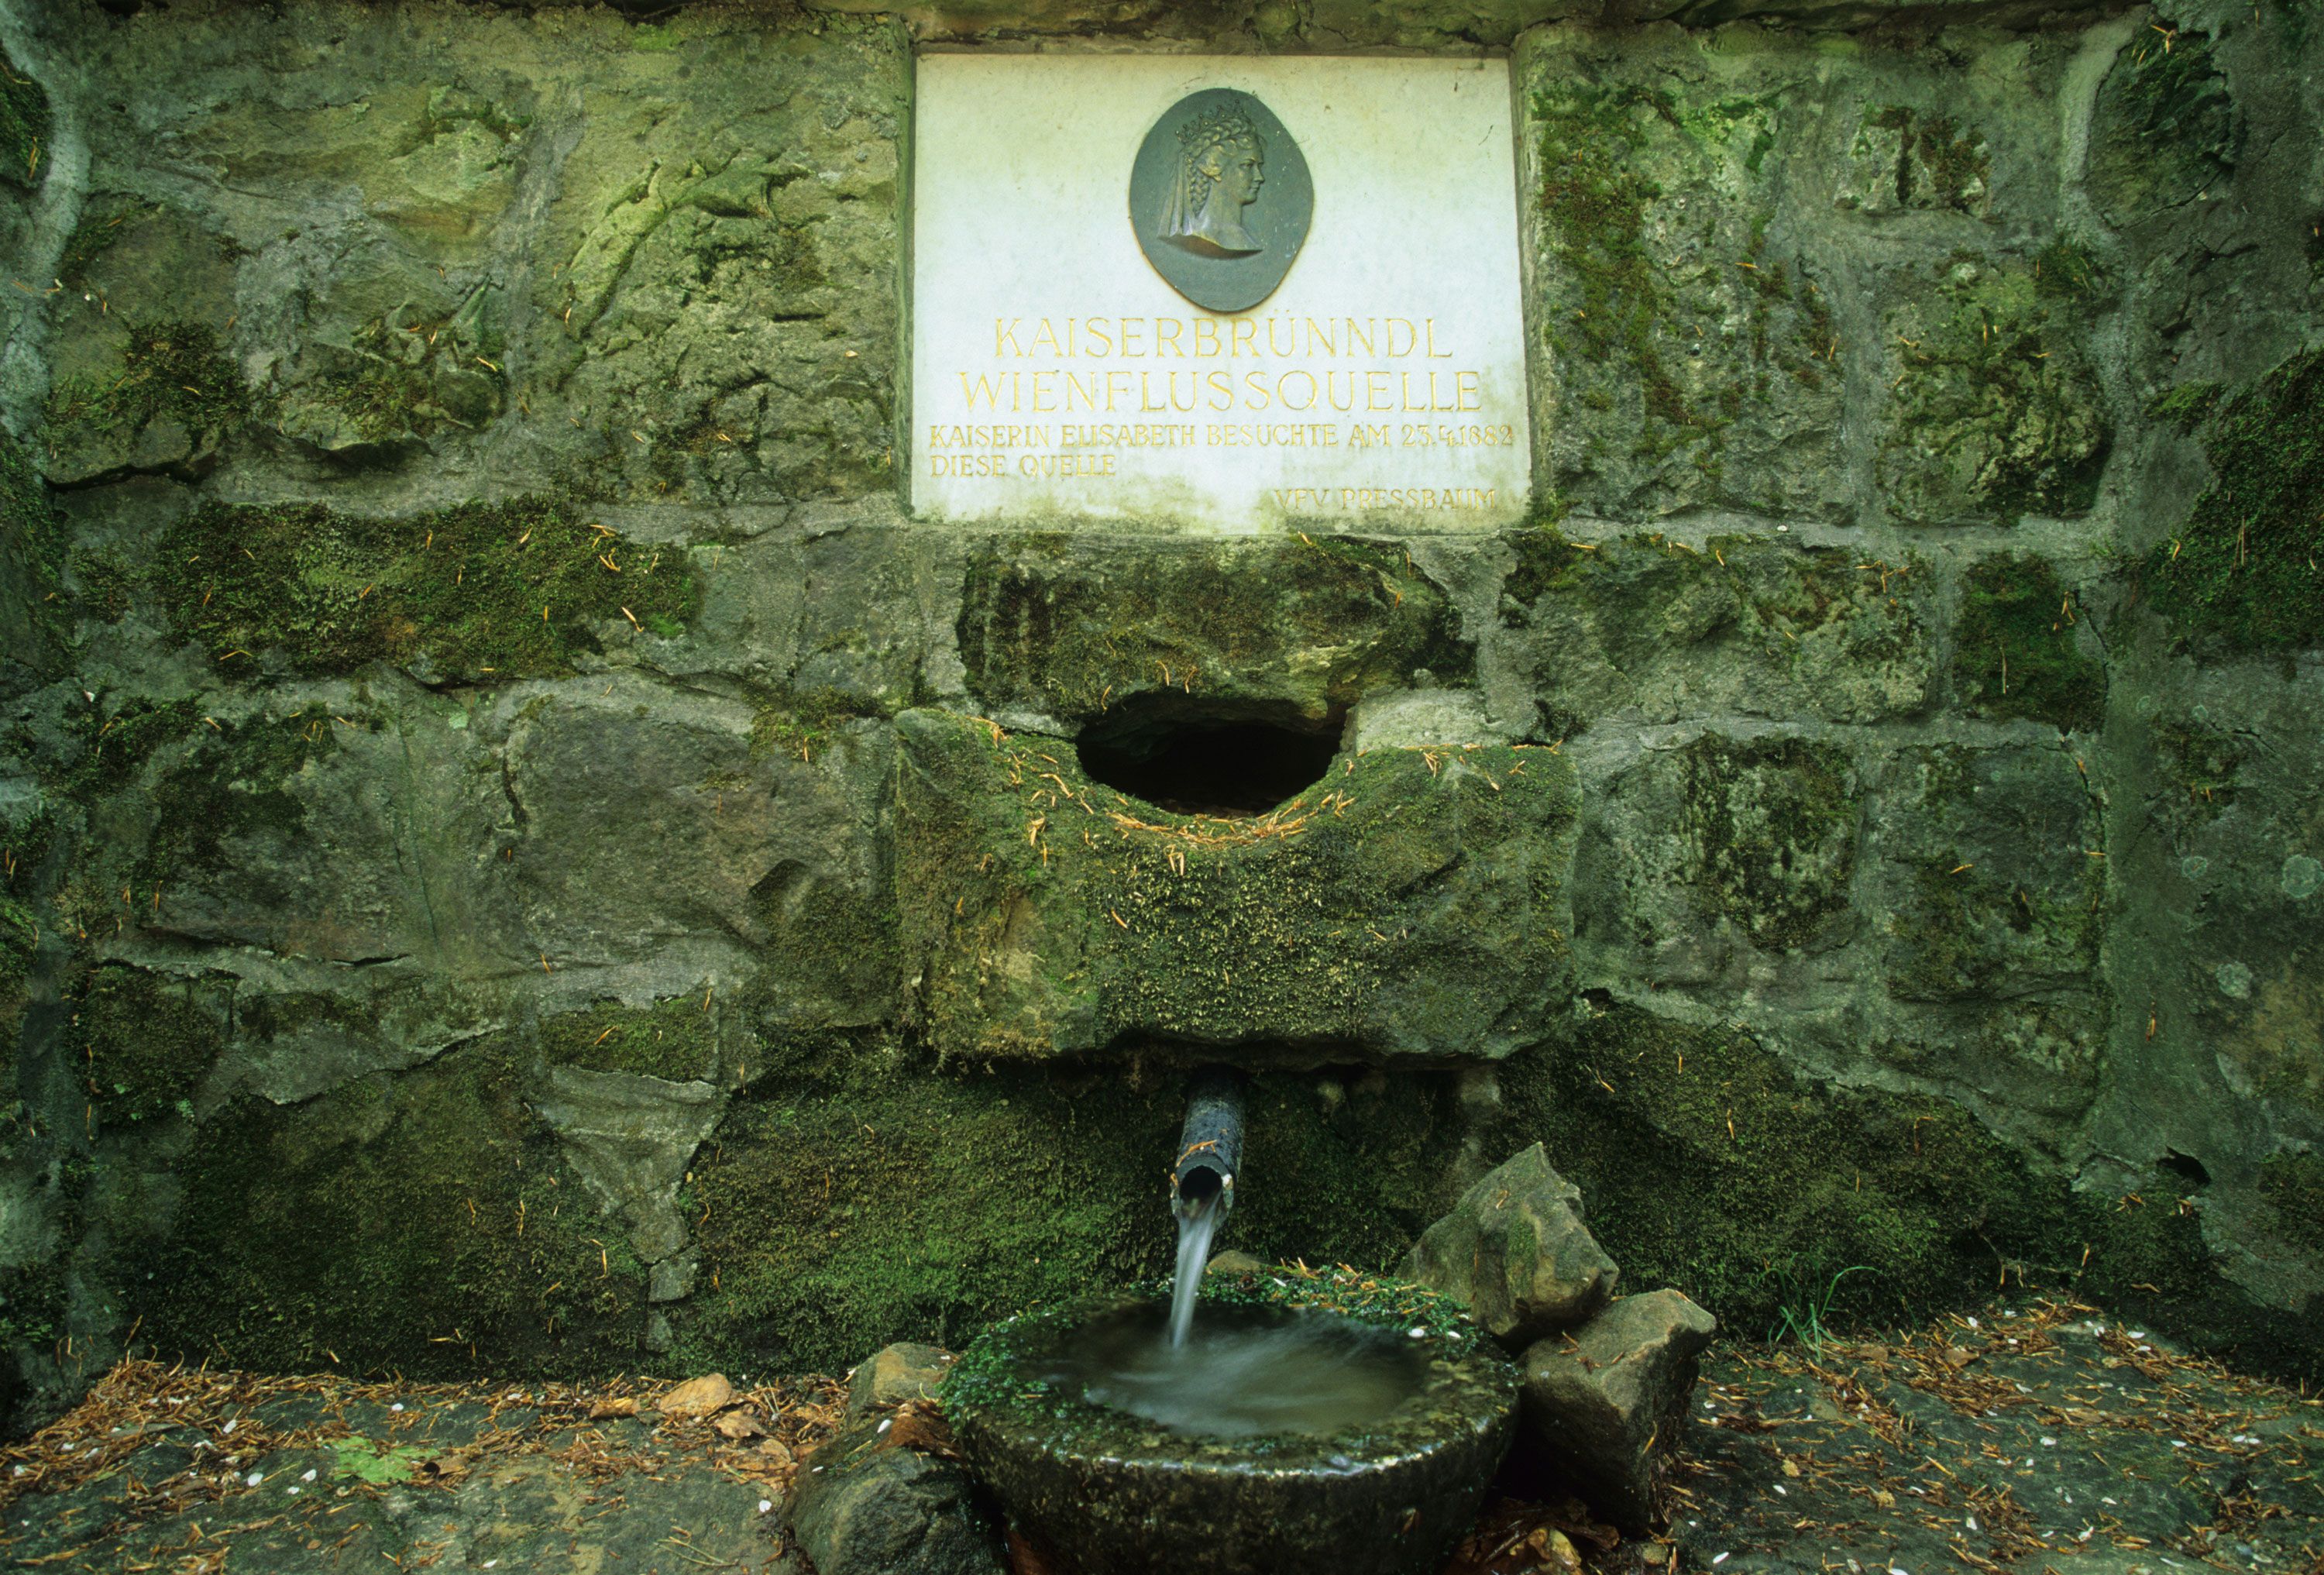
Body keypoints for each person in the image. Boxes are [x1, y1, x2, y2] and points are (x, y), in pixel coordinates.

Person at [1157, 103, 1266, 257]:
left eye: (1259, 166)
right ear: (1213, 167)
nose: (1260, 177)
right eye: (1248, 165)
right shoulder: (1191, 239)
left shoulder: (1246, 241)